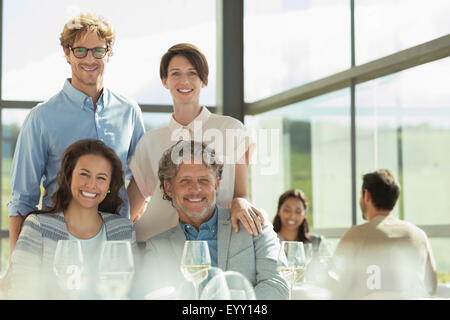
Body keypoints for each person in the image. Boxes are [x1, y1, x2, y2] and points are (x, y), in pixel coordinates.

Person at [7, 12, 145, 254]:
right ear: (67, 53)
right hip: (56, 245)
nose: (89, 58)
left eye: (98, 51)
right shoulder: (41, 117)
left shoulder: (129, 111)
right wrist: (16, 267)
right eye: (80, 50)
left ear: (109, 53)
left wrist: (122, 220)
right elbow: (22, 200)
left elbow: (143, 177)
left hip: (115, 247)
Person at [127, 43, 262, 242]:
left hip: (217, 245)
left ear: (203, 80)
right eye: (175, 73)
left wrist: (241, 204)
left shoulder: (231, 129)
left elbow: (240, 196)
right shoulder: (150, 141)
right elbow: (128, 208)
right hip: (158, 245)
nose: (184, 81)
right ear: (165, 81)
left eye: (192, 73)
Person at [134, 140, 289, 300]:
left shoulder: (253, 222)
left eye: (204, 180)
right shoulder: (157, 248)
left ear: (216, 184)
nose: (196, 189)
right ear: (169, 188)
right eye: (185, 181)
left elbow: (278, 286)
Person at [6, 139, 137, 299]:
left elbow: (132, 291)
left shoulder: (124, 229)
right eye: (84, 174)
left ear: (109, 185)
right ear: (68, 177)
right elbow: (18, 290)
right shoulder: (38, 227)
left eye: (101, 178)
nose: (91, 184)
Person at [333, 169, 437, 299]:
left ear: (366, 195)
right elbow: (431, 288)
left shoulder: (355, 235)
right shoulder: (419, 235)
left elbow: (337, 288)